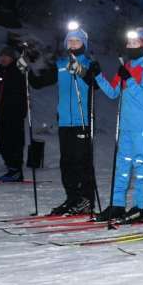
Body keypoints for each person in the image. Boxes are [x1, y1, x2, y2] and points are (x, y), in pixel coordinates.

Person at [29, 24, 101, 215]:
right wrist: (26, 69)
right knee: (66, 162)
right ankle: (72, 198)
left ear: (83, 43)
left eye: (77, 40)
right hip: (65, 122)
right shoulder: (60, 64)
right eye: (70, 40)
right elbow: (38, 83)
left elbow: (97, 85)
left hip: (82, 121)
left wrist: (82, 72)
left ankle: (86, 200)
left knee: (82, 161)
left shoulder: (90, 63)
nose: (73, 43)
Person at [93, 28, 143, 223]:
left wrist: (129, 79)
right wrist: (97, 76)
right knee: (122, 166)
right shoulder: (126, 65)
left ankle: (140, 207)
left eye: (135, 43)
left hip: (141, 127)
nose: (130, 46)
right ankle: (117, 205)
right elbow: (113, 92)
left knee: (140, 167)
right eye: (128, 43)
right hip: (126, 127)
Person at [0, 47, 28, 182]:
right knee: (3, 141)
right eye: (1, 56)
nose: (3, 58)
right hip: (2, 112)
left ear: (12, 58)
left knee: (14, 141)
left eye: (6, 56)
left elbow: (20, 82)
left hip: (15, 111)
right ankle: (11, 169)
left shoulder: (17, 69)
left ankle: (16, 170)